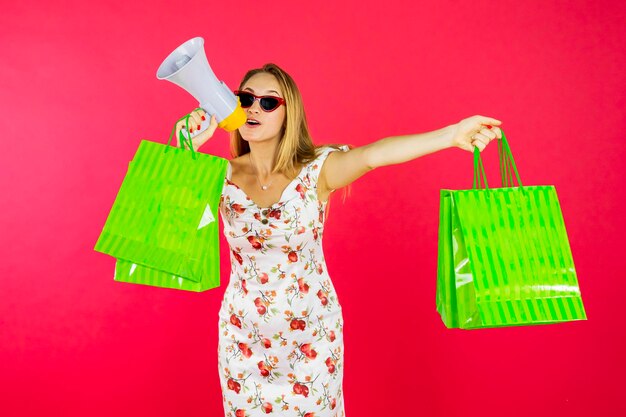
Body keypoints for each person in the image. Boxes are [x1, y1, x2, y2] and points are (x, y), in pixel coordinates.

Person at [174, 63, 502, 417]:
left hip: (312, 340)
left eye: (268, 102)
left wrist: (451, 134)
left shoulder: (318, 169)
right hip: (243, 342)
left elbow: (376, 155)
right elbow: (173, 222)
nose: (254, 107)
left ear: (289, 113)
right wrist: (182, 148)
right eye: (245, 98)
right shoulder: (219, 177)